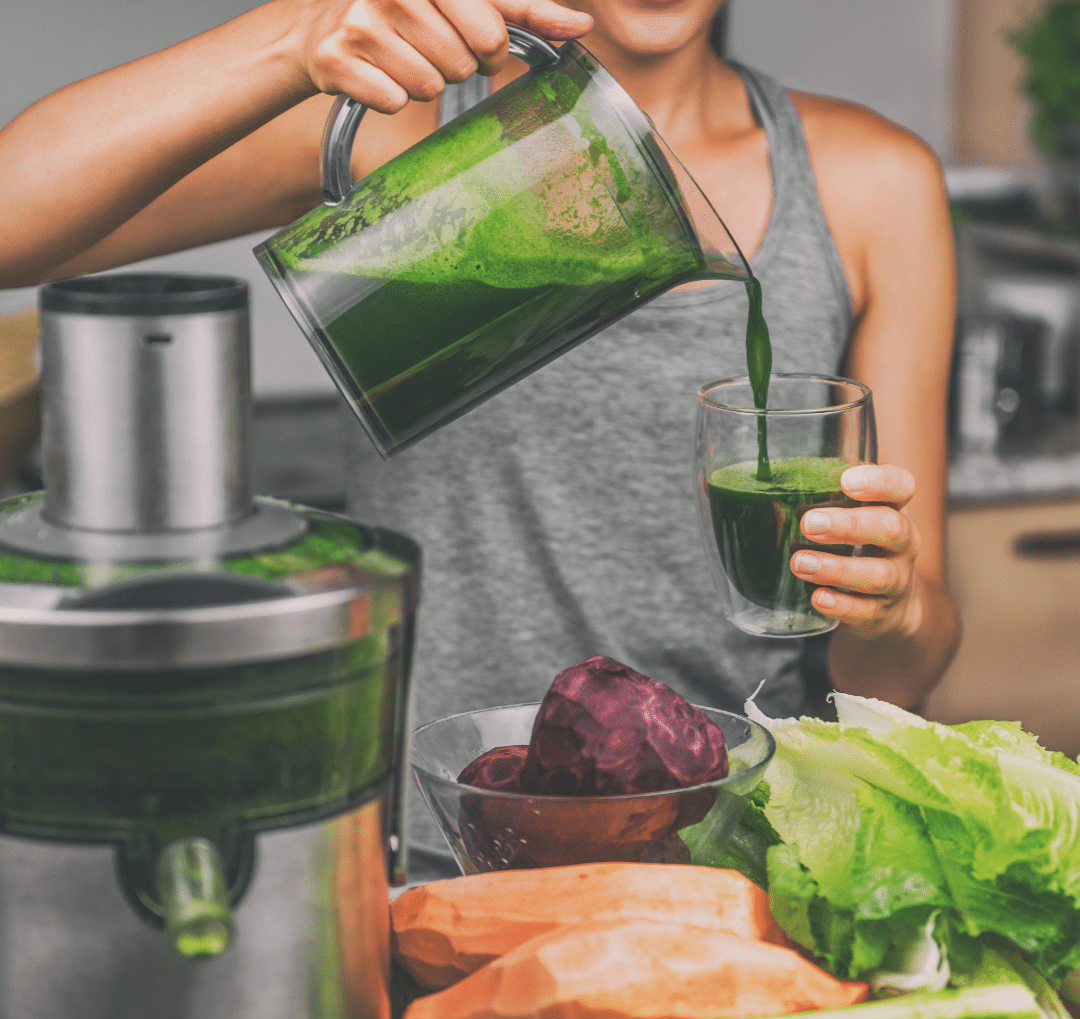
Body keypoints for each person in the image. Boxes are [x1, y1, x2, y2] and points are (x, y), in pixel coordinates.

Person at [0, 0, 960, 845]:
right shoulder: (400, 128)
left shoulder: (872, 183)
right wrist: (293, 32)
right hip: (433, 848)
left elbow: (901, 675)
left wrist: (895, 606)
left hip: (728, 855)